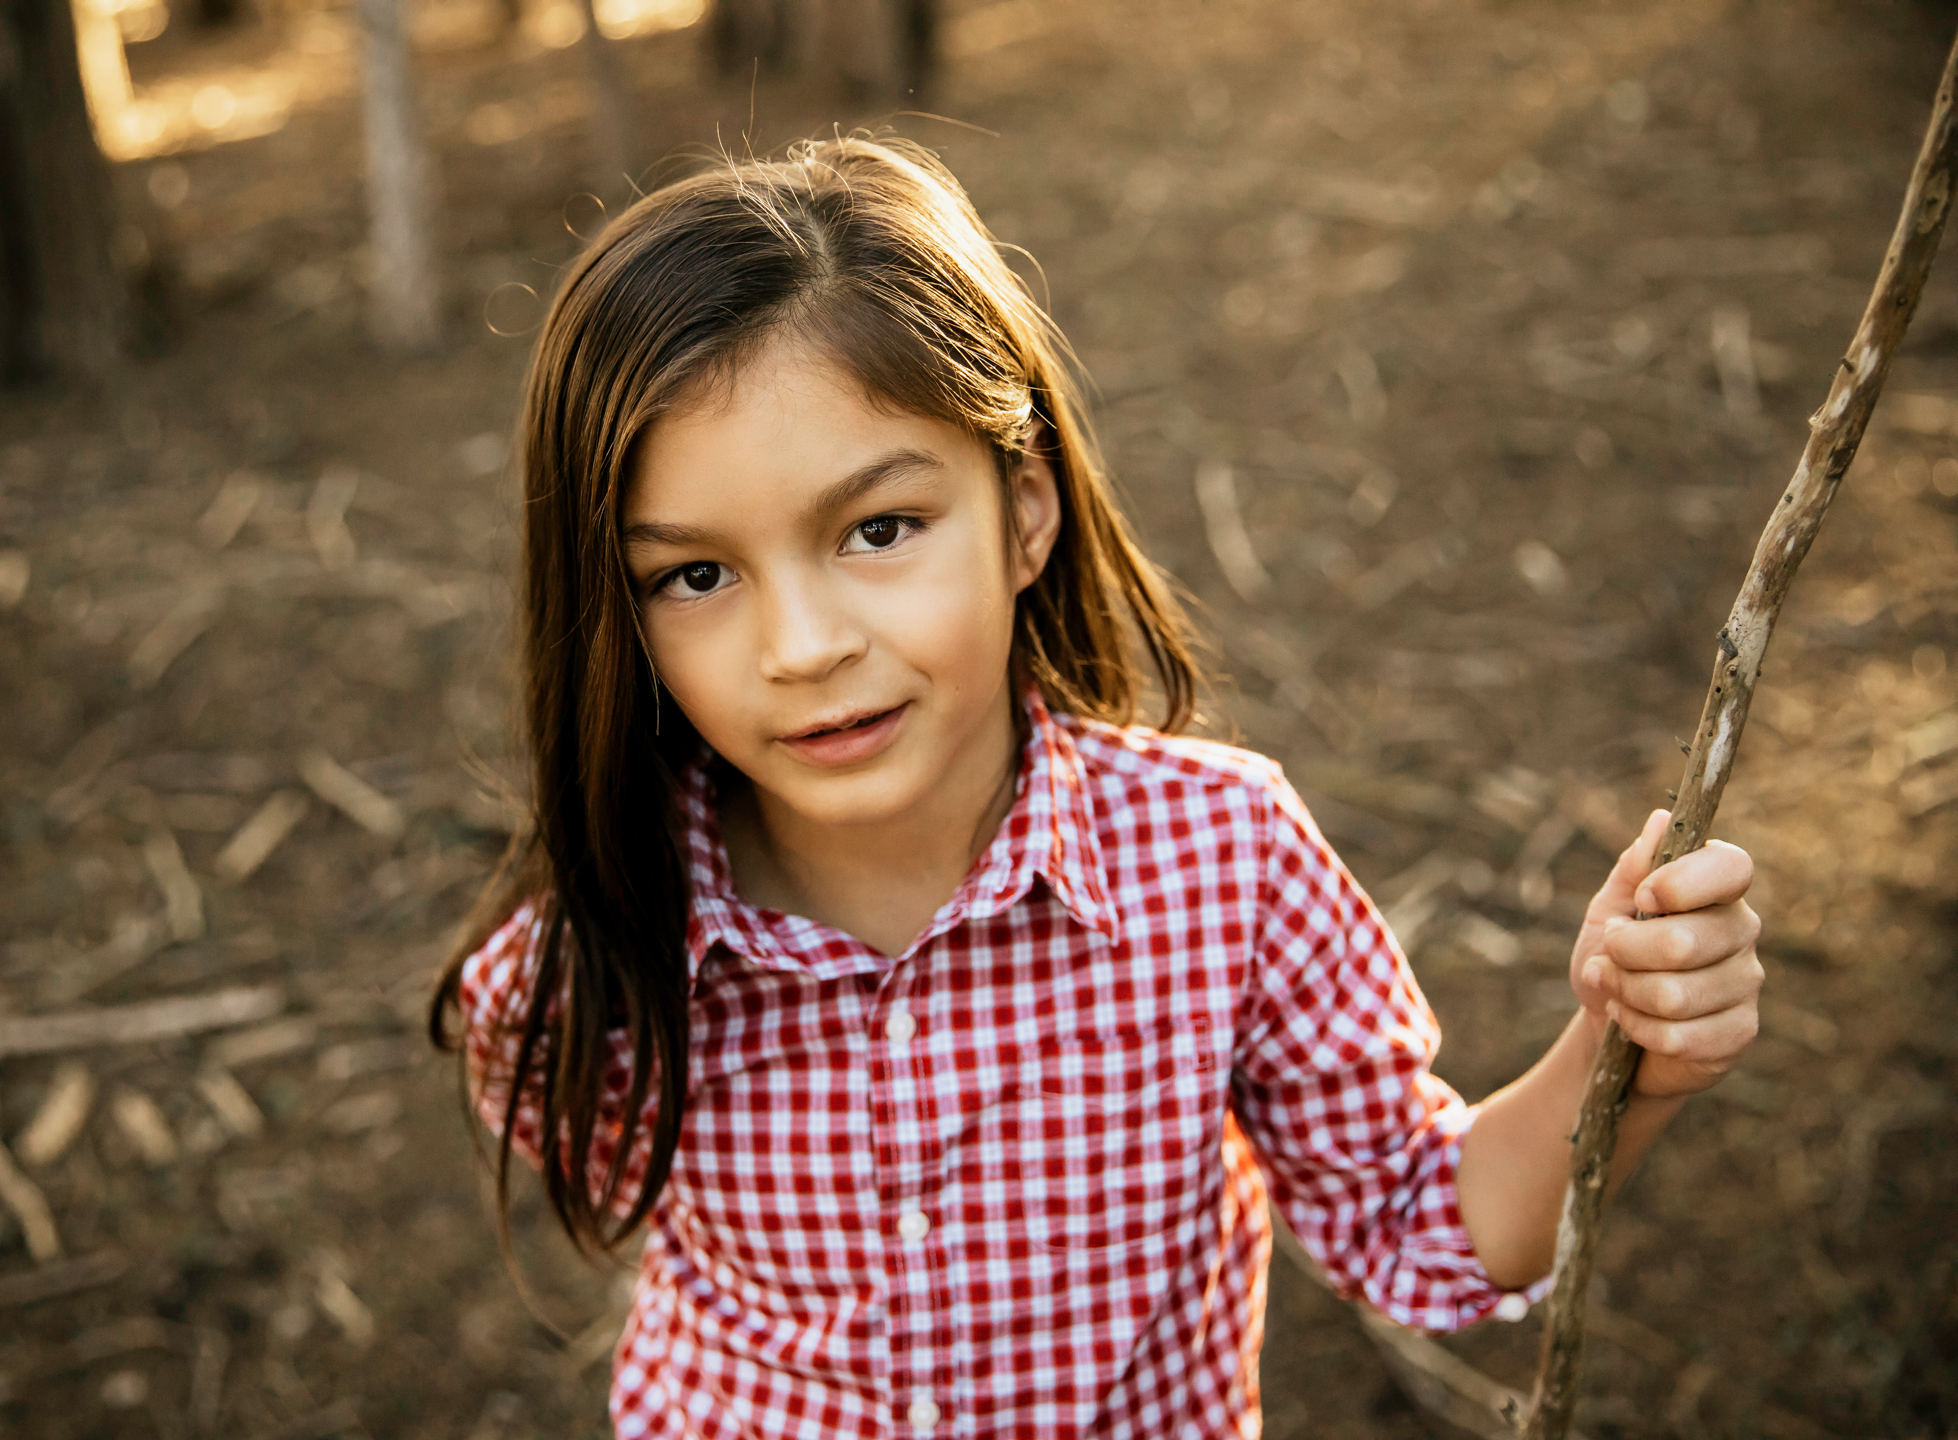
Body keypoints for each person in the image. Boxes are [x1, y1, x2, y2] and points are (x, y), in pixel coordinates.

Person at [430, 136, 1763, 1440]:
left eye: (880, 530)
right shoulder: (588, 954)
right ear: (621, 609)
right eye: (697, 575)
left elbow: (1419, 1213)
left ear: (1024, 513)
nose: (803, 646)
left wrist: (1622, 1048)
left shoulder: (1221, 861)